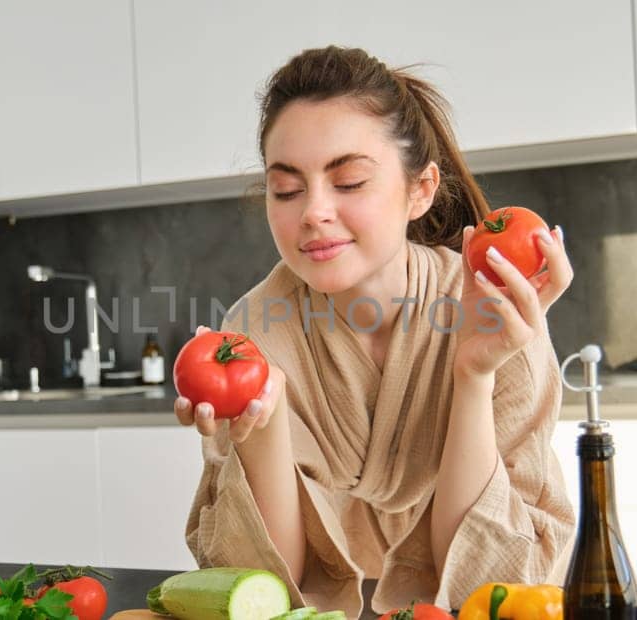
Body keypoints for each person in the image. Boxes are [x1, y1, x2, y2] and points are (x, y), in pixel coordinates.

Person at [174, 45, 575, 617]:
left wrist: (474, 374)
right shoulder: (255, 331)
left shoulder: (492, 307)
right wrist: (258, 433)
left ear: (421, 190)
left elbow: (490, 586)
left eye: (350, 181)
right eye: (286, 189)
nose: (312, 212)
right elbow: (268, 591)